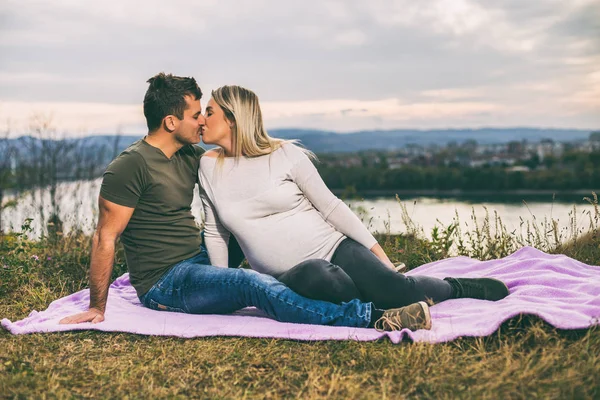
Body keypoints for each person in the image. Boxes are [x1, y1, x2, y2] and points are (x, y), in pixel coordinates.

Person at [58, 72, 434, 333]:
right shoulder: (129, 166)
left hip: (198, 261)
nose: (202, 122)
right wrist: (97, 307)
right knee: (248, 282)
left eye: (207, 113)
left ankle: (303, 281)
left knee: (245, 225)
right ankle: (373, 317)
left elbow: (224, 212)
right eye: (196, 114)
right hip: (166, 282)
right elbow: (103, 238)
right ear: (171, 122)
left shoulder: (193, 157)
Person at [198, 85, 510, 310]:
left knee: (396, 291)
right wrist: (224, 285)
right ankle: (373, 305)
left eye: (209, 112)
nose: (201, 119)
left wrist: (380, 256)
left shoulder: (285, 155)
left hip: (335, 247)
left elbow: (332, 207)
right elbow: (215, 233)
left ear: (232, 119)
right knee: (321, 278)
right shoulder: (209, 166)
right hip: (289, 275)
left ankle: (454, 287)